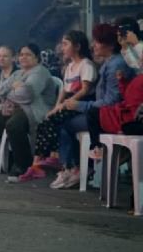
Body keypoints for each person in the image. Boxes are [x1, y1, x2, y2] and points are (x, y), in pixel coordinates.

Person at [53, 24, 132, 189]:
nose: (93, 45)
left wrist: (79, 105)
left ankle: (73, 167)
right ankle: (76, 167)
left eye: (97, 41)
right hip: (102, 113)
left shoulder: (115, 65)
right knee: (65, 119)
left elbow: (111, 101)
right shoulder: (108, 64)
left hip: (110, 116)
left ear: (109, 44)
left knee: (65, 124)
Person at [15, 31, 95, 183]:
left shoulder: (86, 65)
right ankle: (39, 162)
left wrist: (65, 104)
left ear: (77, 46)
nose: (61, 47)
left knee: (53, 122)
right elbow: (64, 89)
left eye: (66, 44)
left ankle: (54, 157)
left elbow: (84, 90)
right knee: (46, 120)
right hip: (68, 104)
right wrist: (56, 106)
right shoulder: (70, 66)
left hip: (80, 103)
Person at [0, 44, 56, 176]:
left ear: (36, 57)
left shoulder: (40, 72)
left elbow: (27, 94)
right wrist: (15, 89)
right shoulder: (18, 73)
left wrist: (13, 93)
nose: (23, 57)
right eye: (21, 54)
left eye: (28, 54)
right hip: (16, 108)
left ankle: (23, 164)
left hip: (34, 110)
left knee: (13, 125)